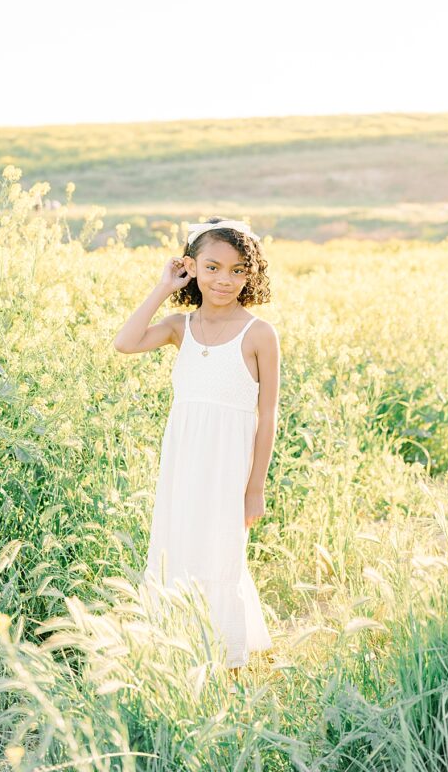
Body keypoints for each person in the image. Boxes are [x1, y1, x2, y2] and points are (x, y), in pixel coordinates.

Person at [113, 216, 278, 683]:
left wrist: (255, 487)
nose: (225, 280)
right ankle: (174, 650)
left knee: (222, 554)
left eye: (238, 270)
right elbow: (124, 343)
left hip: (230, 469)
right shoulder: (178, 328)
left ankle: (228, 662)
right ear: (191, 268)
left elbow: (267, 415)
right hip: (183, 464)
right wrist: (163, 287)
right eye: (212, 267)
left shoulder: (259, 334)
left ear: (251, 274)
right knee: (177, 549)